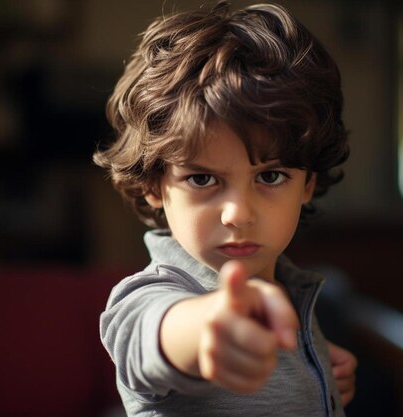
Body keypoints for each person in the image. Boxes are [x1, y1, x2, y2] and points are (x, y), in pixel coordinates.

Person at [94, 2, 357, 416]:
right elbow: (157, 335)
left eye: (270, 177)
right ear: (154, 184)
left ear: (308, 183)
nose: (237, 214)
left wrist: (313, 370)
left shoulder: (292, 291)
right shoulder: (146, 299)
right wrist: (208, 328)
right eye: (202, 179)